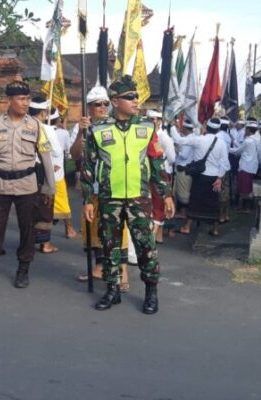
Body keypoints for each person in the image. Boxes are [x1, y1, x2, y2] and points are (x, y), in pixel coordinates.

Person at [81, 76, 175, 313]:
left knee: (146, 247)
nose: (136, 100)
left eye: (136, 96)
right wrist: (88, 199)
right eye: (129, 97)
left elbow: (157, 162)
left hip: (138, 198)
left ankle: (151, 292)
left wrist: (165, 194)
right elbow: (88, 166)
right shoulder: (98, 129)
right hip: (109, 198)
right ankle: (112, 290)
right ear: (115, 101)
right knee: (110, 246)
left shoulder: (147, 127)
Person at [0, 80, 56, 289]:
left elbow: (46, 157)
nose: (25, 103)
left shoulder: (35, 126)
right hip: (0, 185)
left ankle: (23, 270)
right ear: (10, 100)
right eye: (21, 99)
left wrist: (49, 188)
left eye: (27, 99)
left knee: (28, 229)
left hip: (27, 186)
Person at [70, 86, 132, 293]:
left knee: (119, 230)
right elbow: (75, 155)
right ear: (89, 107)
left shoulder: (116, 124)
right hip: (92, 187)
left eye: (106, 103)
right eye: (98, 104)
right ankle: (99, 267)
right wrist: (81, 133)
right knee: (93, 228)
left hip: (114, 187)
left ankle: (123, 273)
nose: (103, 107)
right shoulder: (82, 127)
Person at [170, 117, 231, 236]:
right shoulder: (221, 143)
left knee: (195, 201)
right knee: (213, 202)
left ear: (206, 128)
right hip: (214, 177)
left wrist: (172, 125)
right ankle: (215, 229)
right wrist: (219, 178)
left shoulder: (199, 140)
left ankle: (187, 227)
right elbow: (224, 163)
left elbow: (178, 139)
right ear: (218, 129)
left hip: (199, 176)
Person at [28, 97, 58, 254]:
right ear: (43, 112)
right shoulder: (45, 129)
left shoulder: (22, 125)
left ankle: (28, 242)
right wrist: (50, 186)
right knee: (44, 209)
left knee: (29, 210)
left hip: (25, 175)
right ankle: (45, 244)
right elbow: (54, 153)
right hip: (41, 173)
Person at [146, 109, 176, 244]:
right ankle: (158, 237)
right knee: (153, 205)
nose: (152, 122)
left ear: (159, 121)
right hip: (149, 174)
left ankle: (153, 238)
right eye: (149, 119)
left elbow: (171, 158)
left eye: (154, 119)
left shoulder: (163, 138)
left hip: (161, 174)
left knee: (159, 205)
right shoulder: (146, 134)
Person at [229, 118, 261, 213]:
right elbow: (260, 155)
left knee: (244, 189)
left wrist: (227, 149)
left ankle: (246, 208)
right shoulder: (257, 140)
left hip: (245, 167)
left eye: (246, 129)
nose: (245, 131)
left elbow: (237, 151)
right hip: (253, 168)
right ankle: (245, 207)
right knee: (248, 188)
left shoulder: (248, 141)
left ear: (249, 130)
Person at [52, 112, 77, 239]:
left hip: (41, 173)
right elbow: (69, 150)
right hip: (57, 174)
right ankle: (69, 228)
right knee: (63, 202)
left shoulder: (37, 129)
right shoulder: (63, 133)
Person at [172, 118, 196, 221]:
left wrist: (175, 149)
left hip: (184, 169)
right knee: (182, 192)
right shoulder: (190, 137)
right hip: (184, 168)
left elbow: (184, 155)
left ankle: (184, 213)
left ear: (186, 129)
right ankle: (183, 212)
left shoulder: (188, 140)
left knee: (184, 193)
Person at [217, 117, 234, 224]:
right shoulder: (228, 136)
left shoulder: (217, 136)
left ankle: (220, 215)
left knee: (220, 193)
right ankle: (226, 214)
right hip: (227, 166)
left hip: (219, 167)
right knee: (226, 192)